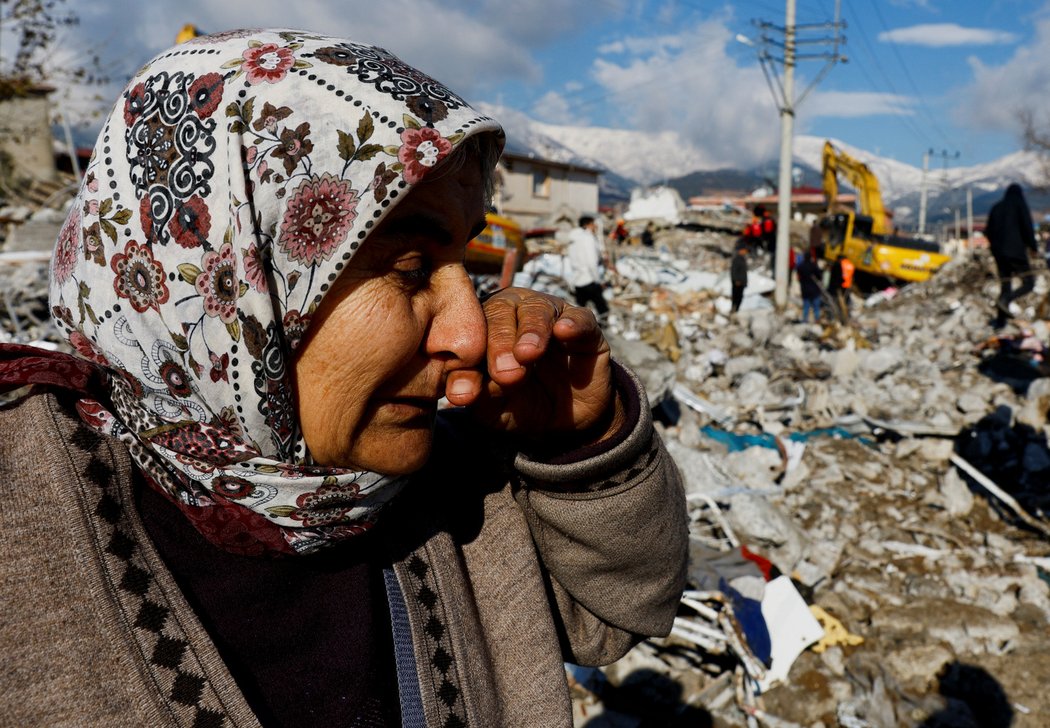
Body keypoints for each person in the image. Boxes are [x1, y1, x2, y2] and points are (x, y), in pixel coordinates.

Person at [0, 30, 687, 726]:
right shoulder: (22, 503)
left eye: (467, 266)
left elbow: (623, 612)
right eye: (412, 268)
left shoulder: (450, 482)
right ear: (235, 272)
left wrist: (581, 437)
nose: (469, 333)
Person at [986, 183, 1039, 328]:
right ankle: (1007, 300)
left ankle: (1000, 322)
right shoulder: (1019, 205)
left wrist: (996, 247)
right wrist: (1033, 247)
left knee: (1005, 284)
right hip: (1016, 252)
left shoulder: (996, 207)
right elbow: (1027, 227)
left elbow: (988, 230)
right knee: (1029, 283)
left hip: (999, 254)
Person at [566, 214, 610, 318]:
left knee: (579, 312)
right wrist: (598, 280)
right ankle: (603, 331)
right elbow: (592, 261)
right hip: (589, 279)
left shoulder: (573, 239)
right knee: (603, 309)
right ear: (588, 225)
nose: (596, 226)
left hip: (577, 280)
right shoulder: (588, 238)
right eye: (594, 224)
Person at [797, 248, 823, 323]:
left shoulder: (801, 266)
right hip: (814, 289)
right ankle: (817, 320)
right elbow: (819, 276)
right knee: (816, 307)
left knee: (806, 306)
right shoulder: (813, 266)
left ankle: (805, 320)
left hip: (805, 289)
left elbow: (799, 276)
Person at [731, 243, 748, 313]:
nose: (745, 252)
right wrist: (736, 280)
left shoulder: (742, 259)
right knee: (736, 298)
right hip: (737, 283)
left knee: (739, 298)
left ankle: (736, 311)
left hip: (741, 283)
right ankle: (734, 311)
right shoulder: (737, 259)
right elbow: (734, 271)